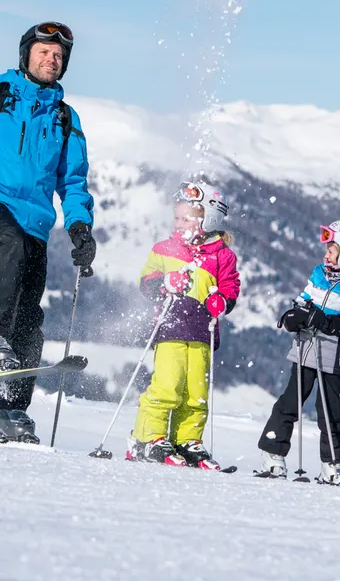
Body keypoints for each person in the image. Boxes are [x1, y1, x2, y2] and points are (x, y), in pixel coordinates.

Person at [0, 23, 95, 443]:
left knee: (28, 319)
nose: (50, 60)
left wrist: (79, 227)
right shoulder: (1, 96)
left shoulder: (64, 117)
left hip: (36, 223)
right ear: (26, 54)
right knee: (10, 249)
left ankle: (12, 410)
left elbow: (72, 181)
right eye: (43, 52)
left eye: (57, 56)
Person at [127, 180, 241, 467]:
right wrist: (166, 282)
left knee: (196, 392)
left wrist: (222, 302)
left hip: (202, 332)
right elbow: (147, 280)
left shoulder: (222, 255)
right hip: (170, 328)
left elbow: (231, 287)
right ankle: (147, 437)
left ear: (209, 219)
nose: (179, 224)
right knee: (167, 385)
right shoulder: (165, 248)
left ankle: (187, 439)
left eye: (187, 218)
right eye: (177, 218)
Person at [257, 218, 340, 485]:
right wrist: (294, 315)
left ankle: (333, 464)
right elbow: (303, 300)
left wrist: (330, 322)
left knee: (330, 410)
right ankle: (272, 453)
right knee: (290, 401)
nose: (326, 254)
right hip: (306, 351)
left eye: (332, 250)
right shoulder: (319, 274)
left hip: (335, 358)